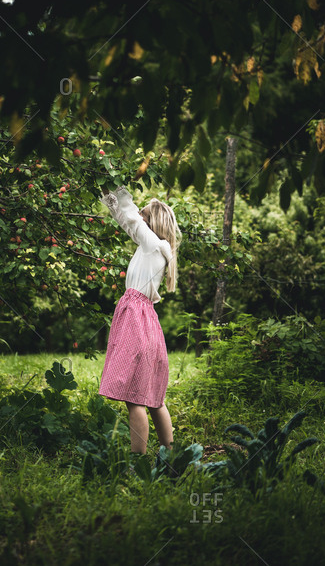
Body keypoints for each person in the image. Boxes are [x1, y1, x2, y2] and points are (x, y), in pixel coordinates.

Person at [98, 184, 182, 458]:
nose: (139, 218)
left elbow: (131, 218)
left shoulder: (153, 245)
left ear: (152, 221)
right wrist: (110, 197)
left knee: (135, 399)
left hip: (136, 321)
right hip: (145, 322)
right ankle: (171, 459)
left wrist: (118, 191)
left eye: (144, 215)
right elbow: (128, 221)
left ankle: (139, 463)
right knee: (154, 399)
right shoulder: (155, 248)